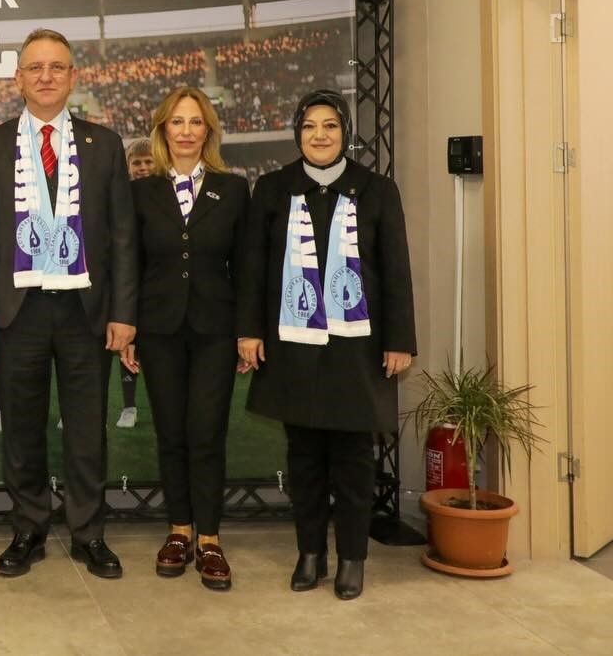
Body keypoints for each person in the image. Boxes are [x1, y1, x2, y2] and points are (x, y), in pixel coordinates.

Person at [0, 28, 137, 579]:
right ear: (18, 78)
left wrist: (124, 313)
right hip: (18, 313)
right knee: (22, 429)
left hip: (86, 312)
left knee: (87, 430)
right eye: (35, 68)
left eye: (56, 67)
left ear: (72, 77)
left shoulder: (103, 143)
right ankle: (28, 530)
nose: (45, 76)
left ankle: (89, 533)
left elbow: (122, 235)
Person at [237, 90, 416, 601]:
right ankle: (310, 554)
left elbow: (396, 270)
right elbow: (252, 268)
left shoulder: (377, 190)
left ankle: (352, 559)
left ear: (345, 133)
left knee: (354, 459)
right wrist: (249, 331)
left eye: (330, 126)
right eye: (310, 126)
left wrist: (400, 340)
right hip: (294, 345)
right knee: (305, 458)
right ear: (298, 133)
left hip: (357, 348)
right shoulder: (273, 189)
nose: (320, 135)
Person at [125, 87, 248, 590]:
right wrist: (128, 327)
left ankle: (210, 539)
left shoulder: (233, 189)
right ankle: (179, 531)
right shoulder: (140, 192)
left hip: (216, 330)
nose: (186, 131)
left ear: (208, 131)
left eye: (196, 122)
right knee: (171, 432)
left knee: (206, 431)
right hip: (158, 330)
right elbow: (130, 266)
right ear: (163, 129)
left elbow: (247, 267)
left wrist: (248, 332)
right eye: (177, 122)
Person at [118, 136, 156, 429]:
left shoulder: (168, 192)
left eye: (148, 162)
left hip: (157, 282)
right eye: (137, 163)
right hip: (130, 281)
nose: (143, 167)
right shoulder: (123, 196)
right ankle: (129, 406)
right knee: (127, 343)